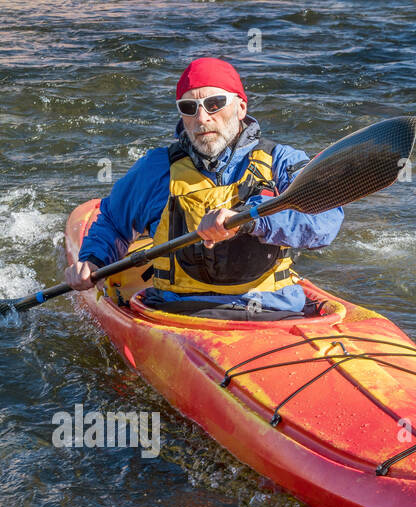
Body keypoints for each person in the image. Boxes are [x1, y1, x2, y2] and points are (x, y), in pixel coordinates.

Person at [63, 56, 344, 314]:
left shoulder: (282, 162)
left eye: (214, 104)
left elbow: (326, 219)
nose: (202, 118)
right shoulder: (156, 168)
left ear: (241, 107)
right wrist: (93, 260)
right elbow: (113, 219)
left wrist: (252, 219)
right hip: (179, 311)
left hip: (273, 309)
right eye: (189, 108)